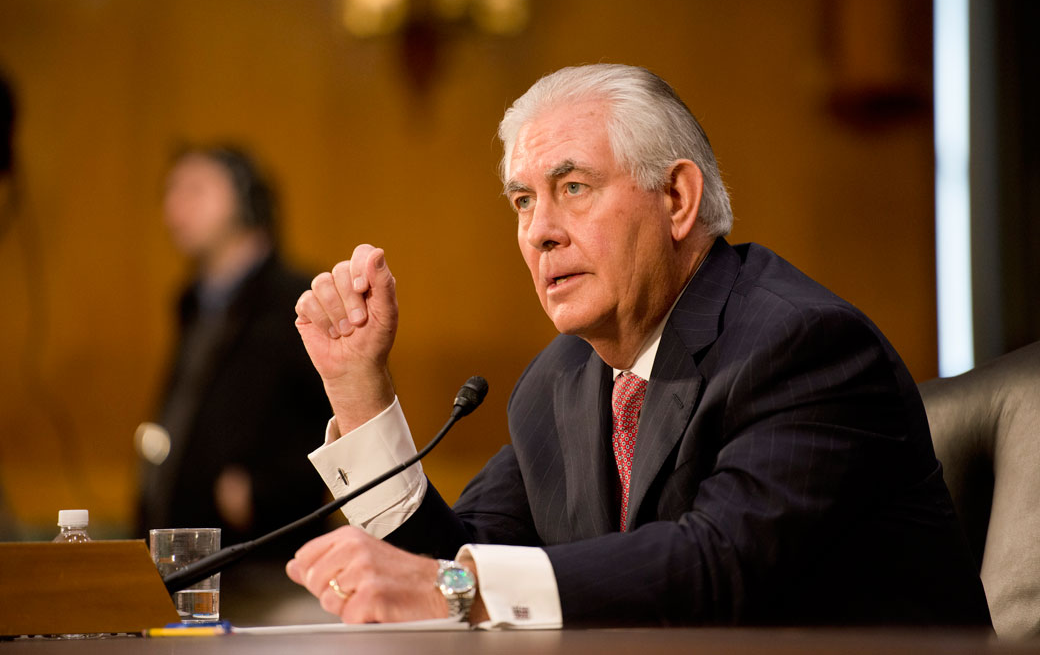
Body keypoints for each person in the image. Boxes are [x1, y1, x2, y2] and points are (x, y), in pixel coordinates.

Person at [286, 65, 991, 628]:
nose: (539, 232)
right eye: (524, 201)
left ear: (678, 199)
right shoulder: (562, 380)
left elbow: (716, 567)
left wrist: (457, 585)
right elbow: (451, 568)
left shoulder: (802, 346)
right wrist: (359, 391)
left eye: (573, 186)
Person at [139, 145, 330, 617]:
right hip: (185, 564)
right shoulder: (193, 302)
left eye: (195, 190)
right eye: (171, 193)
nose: (173, 209)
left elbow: (336, 420)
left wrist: (260, 494)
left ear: (245, 200)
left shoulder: (296, 299)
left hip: (269, 568)